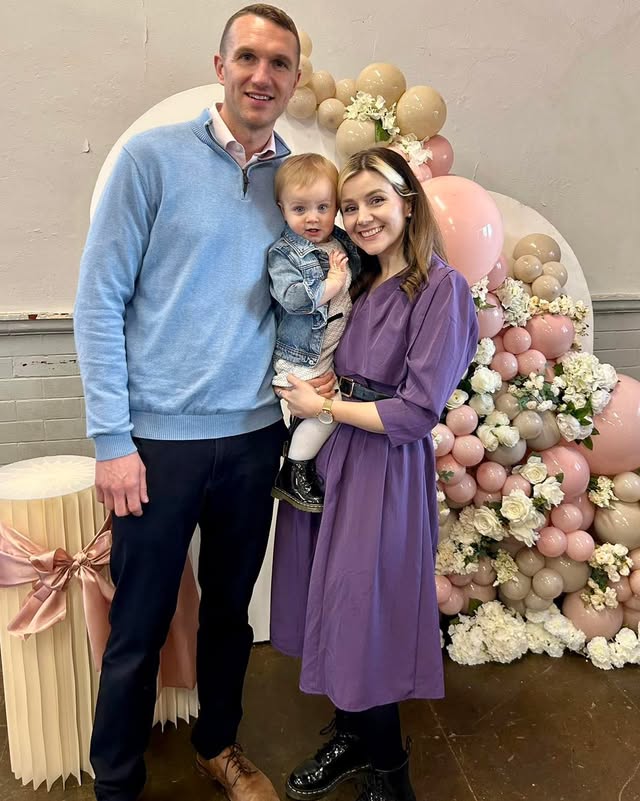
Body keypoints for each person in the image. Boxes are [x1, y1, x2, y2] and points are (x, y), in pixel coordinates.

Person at [74, 6, 335, 801]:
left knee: (229, 614)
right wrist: (112, 439)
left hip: (256, 435)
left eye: (281, 63)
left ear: (295, 79)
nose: (263, 74)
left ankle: (218, 745)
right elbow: (98, 301)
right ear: (220, 66)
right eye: (248, 57)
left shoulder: (301, 184)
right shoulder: (149, 161)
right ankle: (115, 780)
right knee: (139, 626)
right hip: (156, 444)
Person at [270, 147, 479, 801]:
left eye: (375, 201)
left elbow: (417, 410)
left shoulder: (440, 289)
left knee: (367, 614)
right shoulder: (358, 282)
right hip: (336, 453)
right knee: (330, 601)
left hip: (383, 467)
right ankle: (353, 734)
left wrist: (323, 405)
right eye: (350, 205)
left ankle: (390, 773)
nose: (360, 217)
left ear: (407, 203)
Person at [268, 154, 360, 512]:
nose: (312, 218)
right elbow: (292, 299)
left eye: (323, 207)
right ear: (282, 209)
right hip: (300, 355)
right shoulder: (286, 253)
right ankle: (293, 473)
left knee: (324, 411)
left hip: (329, 350)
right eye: (300, 208)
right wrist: (332, 283)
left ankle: (295, 448)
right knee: (328, 411)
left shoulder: (340, 240)